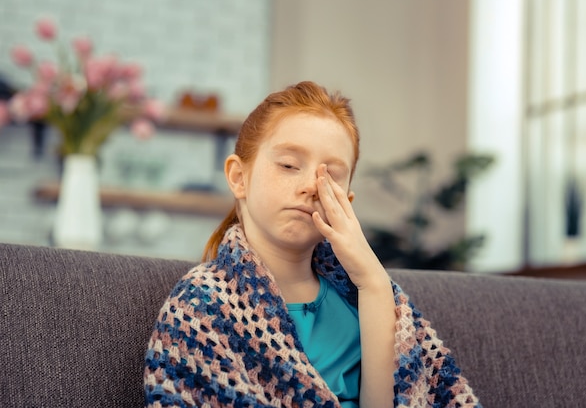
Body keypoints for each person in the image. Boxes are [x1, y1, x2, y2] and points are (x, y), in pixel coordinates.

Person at [143, 81, 481, 408]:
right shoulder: (202, 305)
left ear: (346, 201)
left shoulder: (367, 298)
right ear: (238, 177)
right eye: (289, 165)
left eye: (330, 177)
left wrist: (374, 282)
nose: (310, 186)